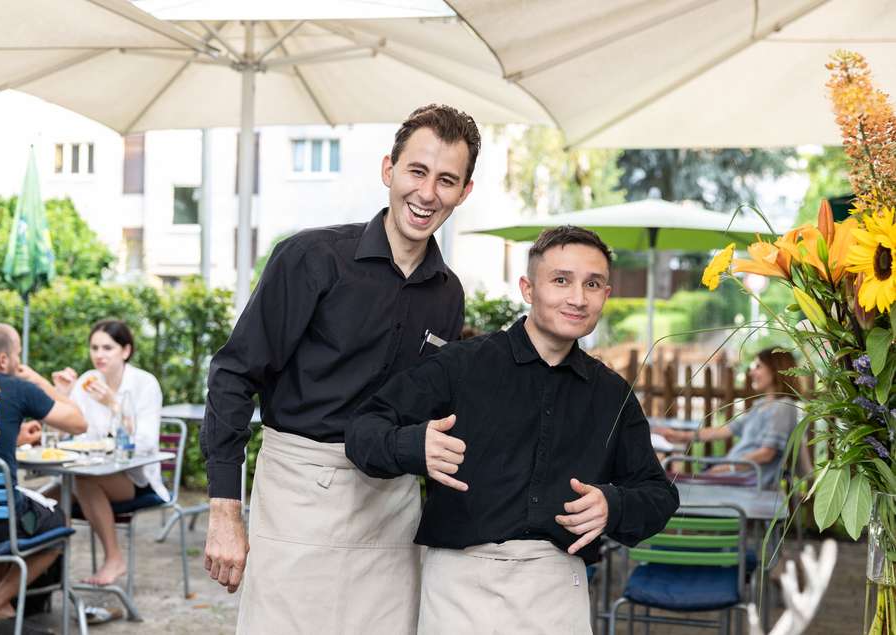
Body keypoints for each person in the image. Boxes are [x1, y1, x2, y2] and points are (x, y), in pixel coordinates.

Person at [201, 104, 479, 633]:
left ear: (463, 192)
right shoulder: (310, 258)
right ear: (388, 170)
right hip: (298, 495)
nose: (427, 193)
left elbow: (432, 407)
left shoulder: (449, 294)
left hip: (392, 506)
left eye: (446, 180)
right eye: (417, 171)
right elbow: (234, 375)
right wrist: (225, 510)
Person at [346, 226, 679, 633]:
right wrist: (414, 446)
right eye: (561, 280)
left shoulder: (612, 394)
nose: (578, 298)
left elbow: (660, 495)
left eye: (592, 284)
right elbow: (363, 429)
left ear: (605, 295)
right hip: (459, 584)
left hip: (558, 588)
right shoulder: (459, 365)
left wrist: (614, 505)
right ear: (528, 288)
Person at [0, 323, 86, 633]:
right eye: (18, 354)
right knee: (59, 525)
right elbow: (78, 422)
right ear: (3, 360)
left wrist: (14, 435)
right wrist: (37, 380)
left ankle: (3, 612)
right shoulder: (18, 388)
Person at [51, 319, 166, 586]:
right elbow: (66, 434)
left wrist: (113, 404)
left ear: (125, 351)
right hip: (88, 470)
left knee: (84, 479)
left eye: (107, 348)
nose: (99, 355)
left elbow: (146, 443)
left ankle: (114, 559)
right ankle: (45, 575)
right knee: (42, 502)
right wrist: (61, 396)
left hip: (136, 478)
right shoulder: (86, 382)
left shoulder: (145, 384)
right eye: (94, 348)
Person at [657, 348, 800, 489]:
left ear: (775, 370)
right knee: (668, 484)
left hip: (747, 480)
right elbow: (723, 430)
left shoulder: (783, 407)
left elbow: (766, 453)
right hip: (736, 475)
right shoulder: (761, 406)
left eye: (758, 366)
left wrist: (725, 468)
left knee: (669, 485)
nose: (751, 372)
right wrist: (681, 436)